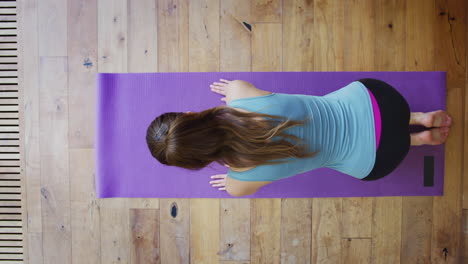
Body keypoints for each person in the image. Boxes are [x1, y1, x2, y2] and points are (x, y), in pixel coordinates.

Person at [146, 78, 452, 197]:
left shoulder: (240, 182)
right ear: (189, 115)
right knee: (365, 115)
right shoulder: (240, 92)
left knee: (369, 147)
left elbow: (232, 183)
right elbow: (236, 105)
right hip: (380, 99)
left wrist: (230, 179)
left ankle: (420, 140)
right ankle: (420, 118)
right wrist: (232, 97)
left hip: (379, 160)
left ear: (199, 161)